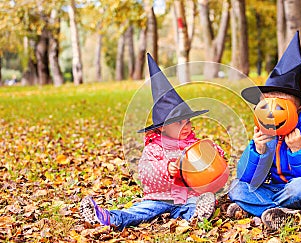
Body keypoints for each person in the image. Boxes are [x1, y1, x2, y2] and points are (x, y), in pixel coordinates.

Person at [80, 53, 225, 231]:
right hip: (160, 197)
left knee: (195, 204)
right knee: (140, 212)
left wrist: (213, 150)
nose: (186, 127)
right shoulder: (154, 149)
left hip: (188, 196)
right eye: (179, 123)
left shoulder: (193, 144)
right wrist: (167, 169)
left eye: (188, 121)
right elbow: (146, 173)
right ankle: (106, 217)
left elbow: (212, 162)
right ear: (162, 128)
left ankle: (197, 216)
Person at [227, 31, 301, 231]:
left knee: (299, 187)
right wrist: (258, 150)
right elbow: (247, 178)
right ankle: (285, 213)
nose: (272, 111)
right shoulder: (267, 131)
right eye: (267, 103)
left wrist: (299, 151)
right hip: (279, 189)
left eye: (281, 104)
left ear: (298, 107)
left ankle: (258, 207)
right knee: (236, 187)